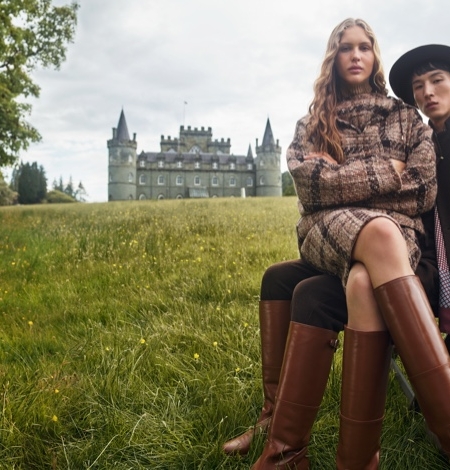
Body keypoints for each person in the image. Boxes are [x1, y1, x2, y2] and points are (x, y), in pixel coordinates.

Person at [246, 17, 449, 469]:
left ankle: (328, 460)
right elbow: (308, 186)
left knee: (363, 279)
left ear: (374, 56)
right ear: (332, 57)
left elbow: (422, 188)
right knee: (378, 232)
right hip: (325, 230)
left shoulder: (404, 116)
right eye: (345, 47)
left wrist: (339, 181)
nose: (355, 55)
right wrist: (387, 171)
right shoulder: (312, 123)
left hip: (398, 236)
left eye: (364, 47)